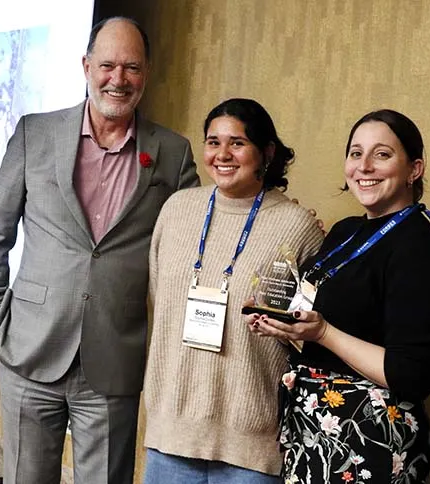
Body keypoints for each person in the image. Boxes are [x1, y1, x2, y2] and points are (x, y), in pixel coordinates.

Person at [0, 17, 199, 484]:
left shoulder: (173, 153)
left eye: (132, 68)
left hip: (115, 357)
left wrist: (267, 209)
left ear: (147, 73)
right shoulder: (35, 134)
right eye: (108, 65)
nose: (119, 79)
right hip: (30, 350)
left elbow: (196, 240)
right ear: (86, 66)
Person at [248, 109, 430, 483]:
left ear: (414, 168)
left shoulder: (418, 244)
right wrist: (283, 325)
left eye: (382, 154)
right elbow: (320, 319)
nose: (364, 166)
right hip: (314, 430)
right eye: (355, 153)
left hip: (370, 438)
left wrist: (323, 334)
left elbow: (412, 373)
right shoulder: (345, 231)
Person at [142, 98, 325, 483]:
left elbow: (305, 332)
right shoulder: (176, 209)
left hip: (252, 446)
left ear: (267, 153)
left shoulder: (297, 226)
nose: (222, 154)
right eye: (213, 142)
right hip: (171, 434)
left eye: (237, 143)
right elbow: (160, 301)